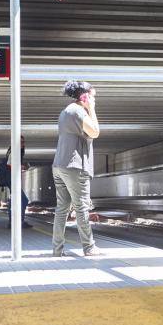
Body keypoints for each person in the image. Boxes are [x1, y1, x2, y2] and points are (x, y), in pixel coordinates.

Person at [51, 80, 101, 257]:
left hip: (59, 165)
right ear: (85, 97)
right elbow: (95, 131)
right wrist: (92, 108)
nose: (95, 100)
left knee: (62, 208)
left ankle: (57, 249)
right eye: (93, 97)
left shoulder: (66, 112)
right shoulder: (78, 112)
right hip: (75, 166)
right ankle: (89, 247)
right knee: (81, 207)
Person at [1, 135, 31, 229]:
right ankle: (18, 222)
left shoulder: (17, 151)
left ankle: (14, 222)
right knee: (23, 200)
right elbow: (10, 164)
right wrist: (22, 167)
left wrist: (22, 166)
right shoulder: (14, 151)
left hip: (13, 178)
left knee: (16, 200)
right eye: (21, 142)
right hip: (11, 178)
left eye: (23, 142)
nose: (23, 144)